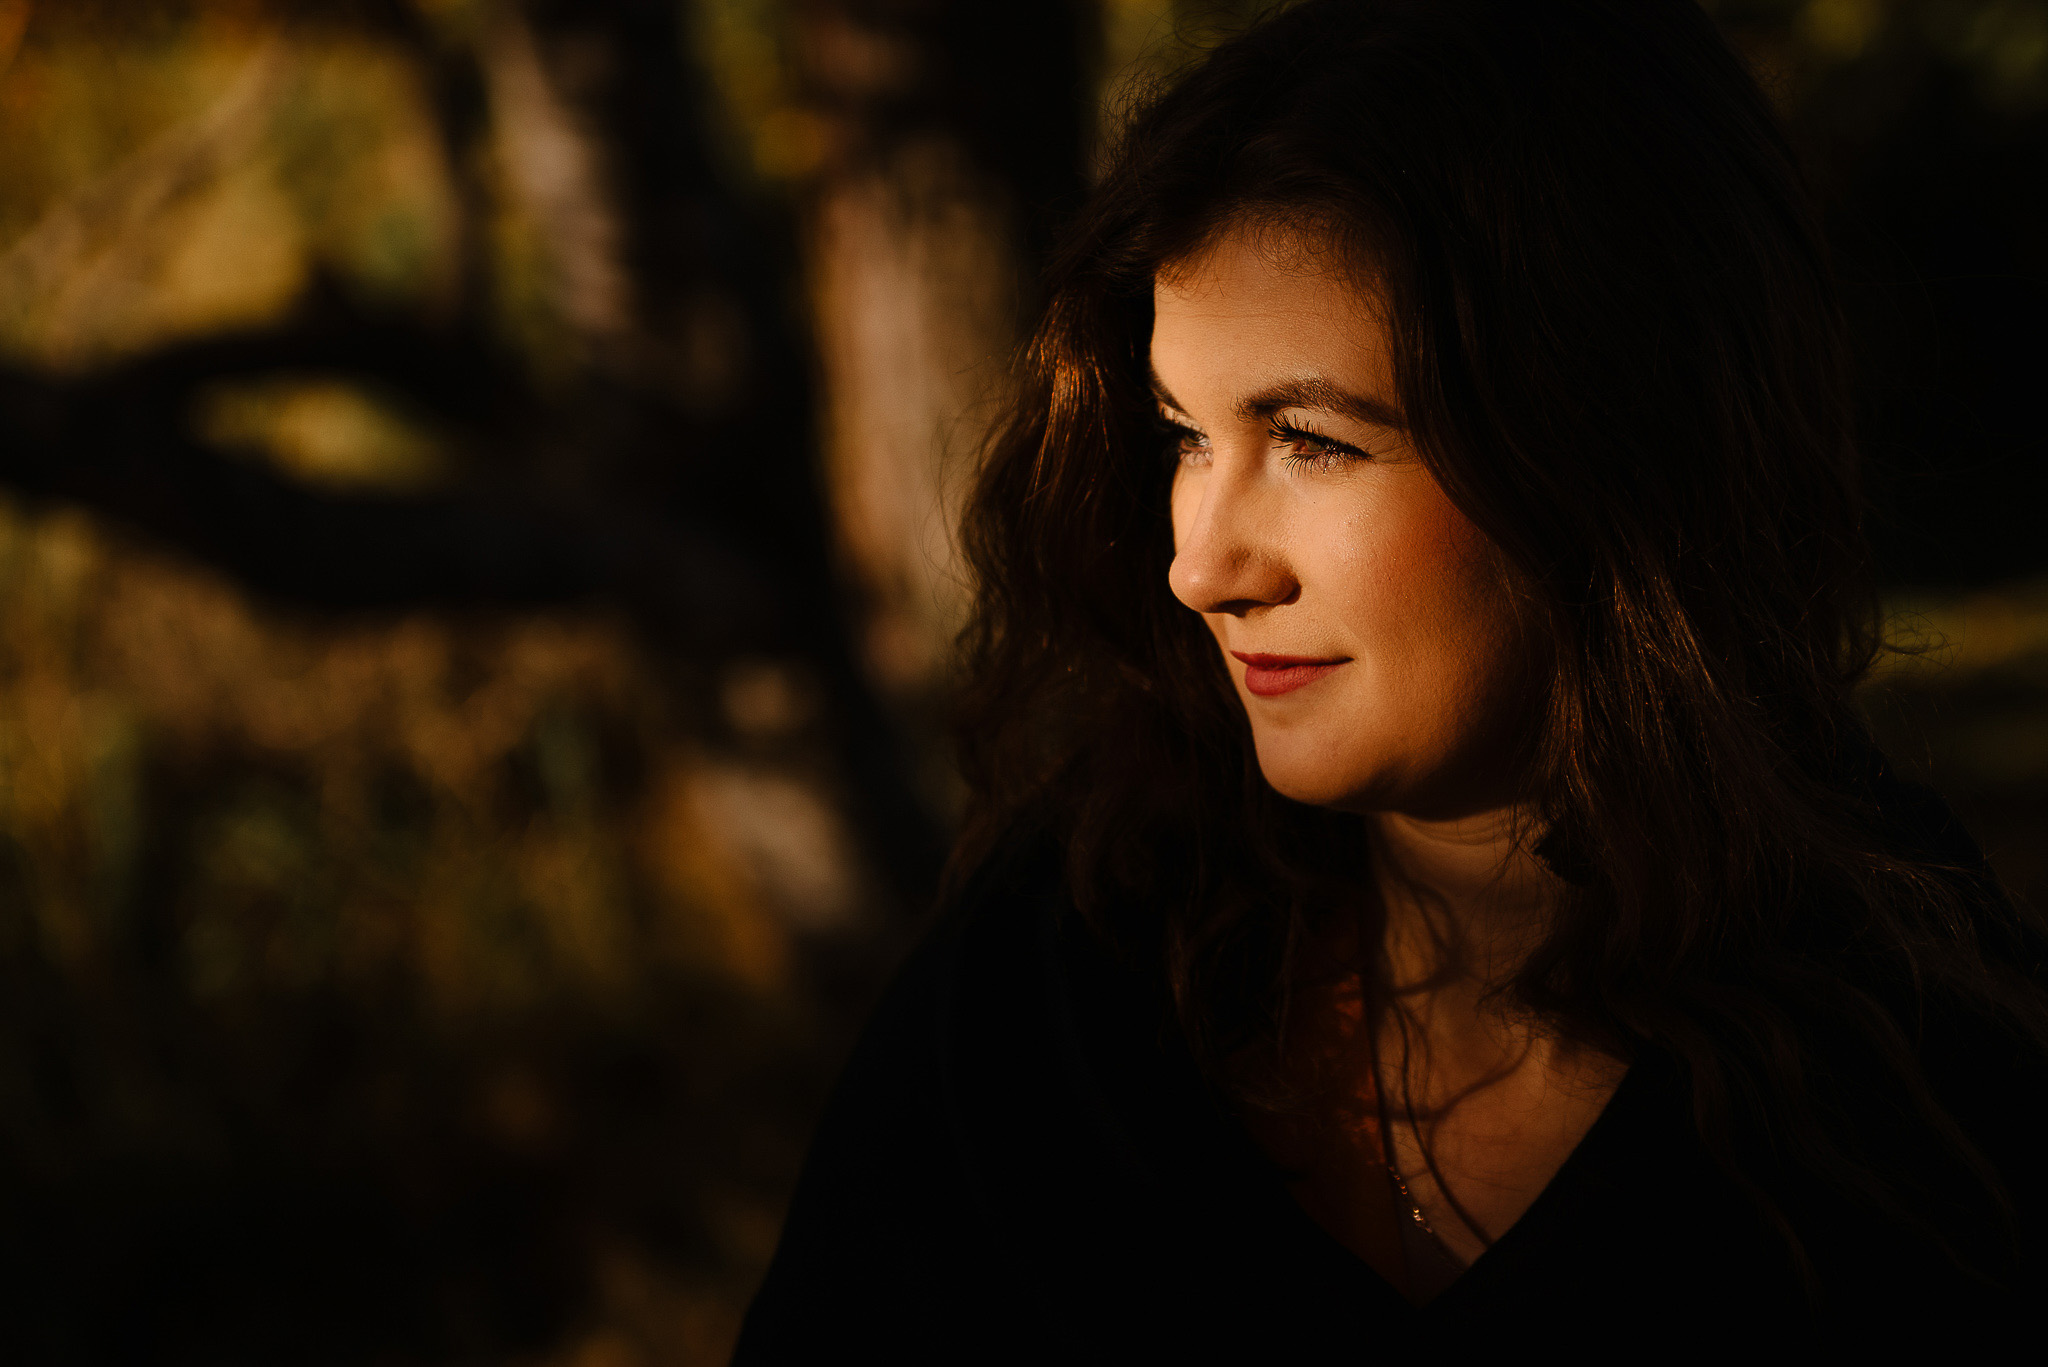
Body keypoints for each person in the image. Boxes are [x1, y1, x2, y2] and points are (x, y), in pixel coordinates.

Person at [734, 0, 2048, 1354]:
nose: (1201, 567)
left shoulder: (1930, 1115)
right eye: (1185, 436)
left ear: (1610, 458)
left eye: (1314, 442)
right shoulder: (1065, 978)